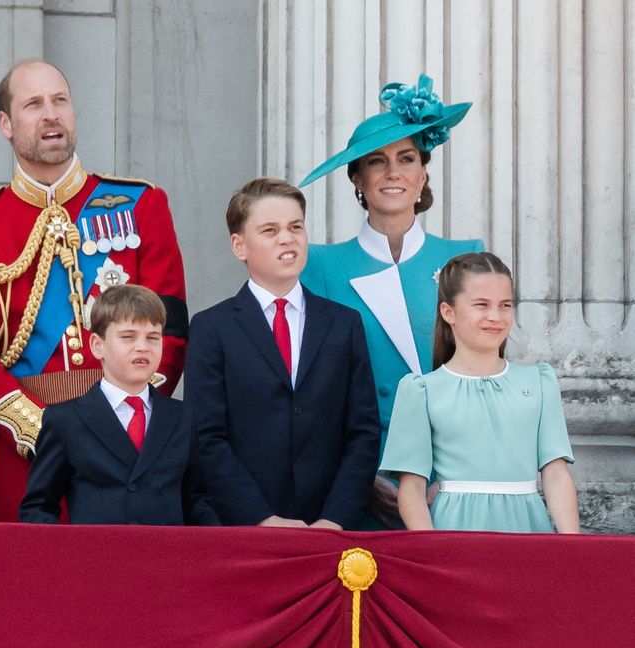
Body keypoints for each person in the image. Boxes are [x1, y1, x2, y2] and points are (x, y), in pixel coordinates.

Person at [0, 59, 188, 522]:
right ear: (6, 125)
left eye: (60, 101)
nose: (51, 114)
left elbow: (169, 333)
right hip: (28, 454)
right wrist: (51, 432)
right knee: (29, 589)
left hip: (129, 449)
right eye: (33, 104)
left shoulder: (142, 205)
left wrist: (120, 419)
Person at [298, 74, 484, 527]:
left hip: (451, 481)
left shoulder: (465, 256)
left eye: (406, 158)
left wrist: (455, 476)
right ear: (357, 178)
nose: (393, 172)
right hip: (356, 480)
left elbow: (484, 380)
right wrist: (360, 477)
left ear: (423, 173)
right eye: (377, 162)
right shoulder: (319, 264)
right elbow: (315, 390)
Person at [185, 178, 380, 529]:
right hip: (244, 527)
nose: (287, 238)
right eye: (270, 230)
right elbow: (207, 437)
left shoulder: (343, 324)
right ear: (239, 245)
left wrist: (334, 519)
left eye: (295, 227)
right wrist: (261, 518)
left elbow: (363, 432)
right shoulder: (211, 328)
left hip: (331, 527)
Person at [379, 253, 580, 533]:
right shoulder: (422, 391)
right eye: (481, 305)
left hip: (529, 532)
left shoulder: (539, 381)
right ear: (448, 312)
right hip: (454, 535)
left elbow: (556, 475)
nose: (495, 316)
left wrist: (572, 549)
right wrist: (431, 552)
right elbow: (411, 489)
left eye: (505, 305)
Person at [19, 285, 217, 525]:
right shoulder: (65, 420)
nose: (142, 346)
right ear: (97, 345)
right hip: (96, 559)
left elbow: (195, 500)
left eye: (153, 338)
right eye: (128, 337)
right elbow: (40, 505)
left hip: (167, 559)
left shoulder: (183, 417)